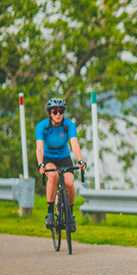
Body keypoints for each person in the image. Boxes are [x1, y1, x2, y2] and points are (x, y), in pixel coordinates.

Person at [36, 97, 86, 231]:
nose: (58, 114)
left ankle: (70, 214)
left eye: (61, 111)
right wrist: (41, 164)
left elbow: (74, 144)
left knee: (69, 183)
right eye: (55, 112)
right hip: (49, 159)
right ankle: (51, 212)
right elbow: (39, 148)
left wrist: (80, 160)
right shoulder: (42, 126)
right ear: (50, 113)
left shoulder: (68, 125)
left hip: (64, 158)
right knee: (53, 177)